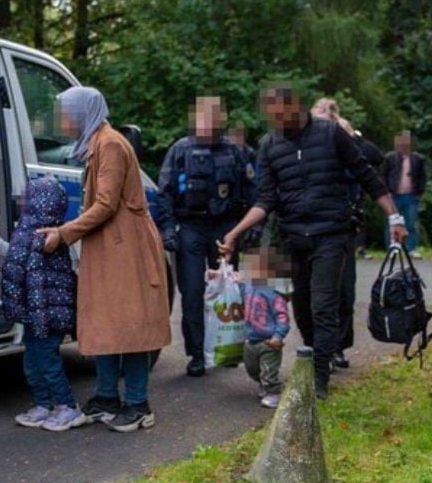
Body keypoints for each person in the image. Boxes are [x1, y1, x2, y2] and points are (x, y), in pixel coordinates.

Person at [219, 84, 406, 400]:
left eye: (281, 115)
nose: (278, 122)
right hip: (293, 237)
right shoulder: (269, 145)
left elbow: (366, 174)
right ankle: (316, 356)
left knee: (323, 305)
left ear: (296, 106)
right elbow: (265, 200)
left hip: (331, 232)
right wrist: (234, 233)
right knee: (303, 309)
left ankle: (319, 378)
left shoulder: (331, 133)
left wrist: (395, 217)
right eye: (272, 117)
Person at [39, 87, 171, 432]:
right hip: (111, 247)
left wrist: (63, 233)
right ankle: (107, 397)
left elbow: (106, 204)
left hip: (125, 248)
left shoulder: (110, 144)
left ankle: (138, 405)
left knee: (130, 325)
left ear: (83, 114)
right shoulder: (97, 143)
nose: (62, 121)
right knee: (106, 322)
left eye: (66, 114)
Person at [0, 178, 82, 431]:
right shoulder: (26, 235)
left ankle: (68, 407)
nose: (23, 203)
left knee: (47, 361)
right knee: (32, 362)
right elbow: (11, 252)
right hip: (34, 314)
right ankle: (43, 404)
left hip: (50, 315)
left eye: (28, 199)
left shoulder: (54, 237)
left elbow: (70, 270)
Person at [157, 96, 256, 377]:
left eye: (215, 117)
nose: (209, 123)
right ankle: (197, 354)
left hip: (224, 228)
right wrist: (169, 229)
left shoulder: (235, 151)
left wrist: (249, 229)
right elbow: (165, 192)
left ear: (222, 119)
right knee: (192, 292)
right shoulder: (180, 150)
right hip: (190, 227)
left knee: (226, 288)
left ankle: (226, 346)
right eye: (204, 116)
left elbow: (251, 190)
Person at [309, 98, 377, 370]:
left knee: (344, 290)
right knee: (315, 294)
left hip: (342, 224)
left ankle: (337, 346)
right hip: (309, 226)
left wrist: (351, 136)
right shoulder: (304, 146)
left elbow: (375, 159)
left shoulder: (347, 143)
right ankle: (318, 348)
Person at [240, 249, 290, 409]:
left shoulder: (274, 294)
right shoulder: (248, 287)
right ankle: (263, 383)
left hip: (269, 341)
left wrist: (278, 336)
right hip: (251, 339)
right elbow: (236, 286)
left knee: (269, 370)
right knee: (252, 368)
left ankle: (274, 392)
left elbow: (282, 317)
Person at [380, 131, 426, 257]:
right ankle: (392, 248)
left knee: (410, 223)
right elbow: (383, 175)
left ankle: (411, 248)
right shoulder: (390, 158)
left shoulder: (417, 159)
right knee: (391, 223)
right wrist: (386, 192)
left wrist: (419, 192)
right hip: (393, 196)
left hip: (410, 195)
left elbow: (422, 177)